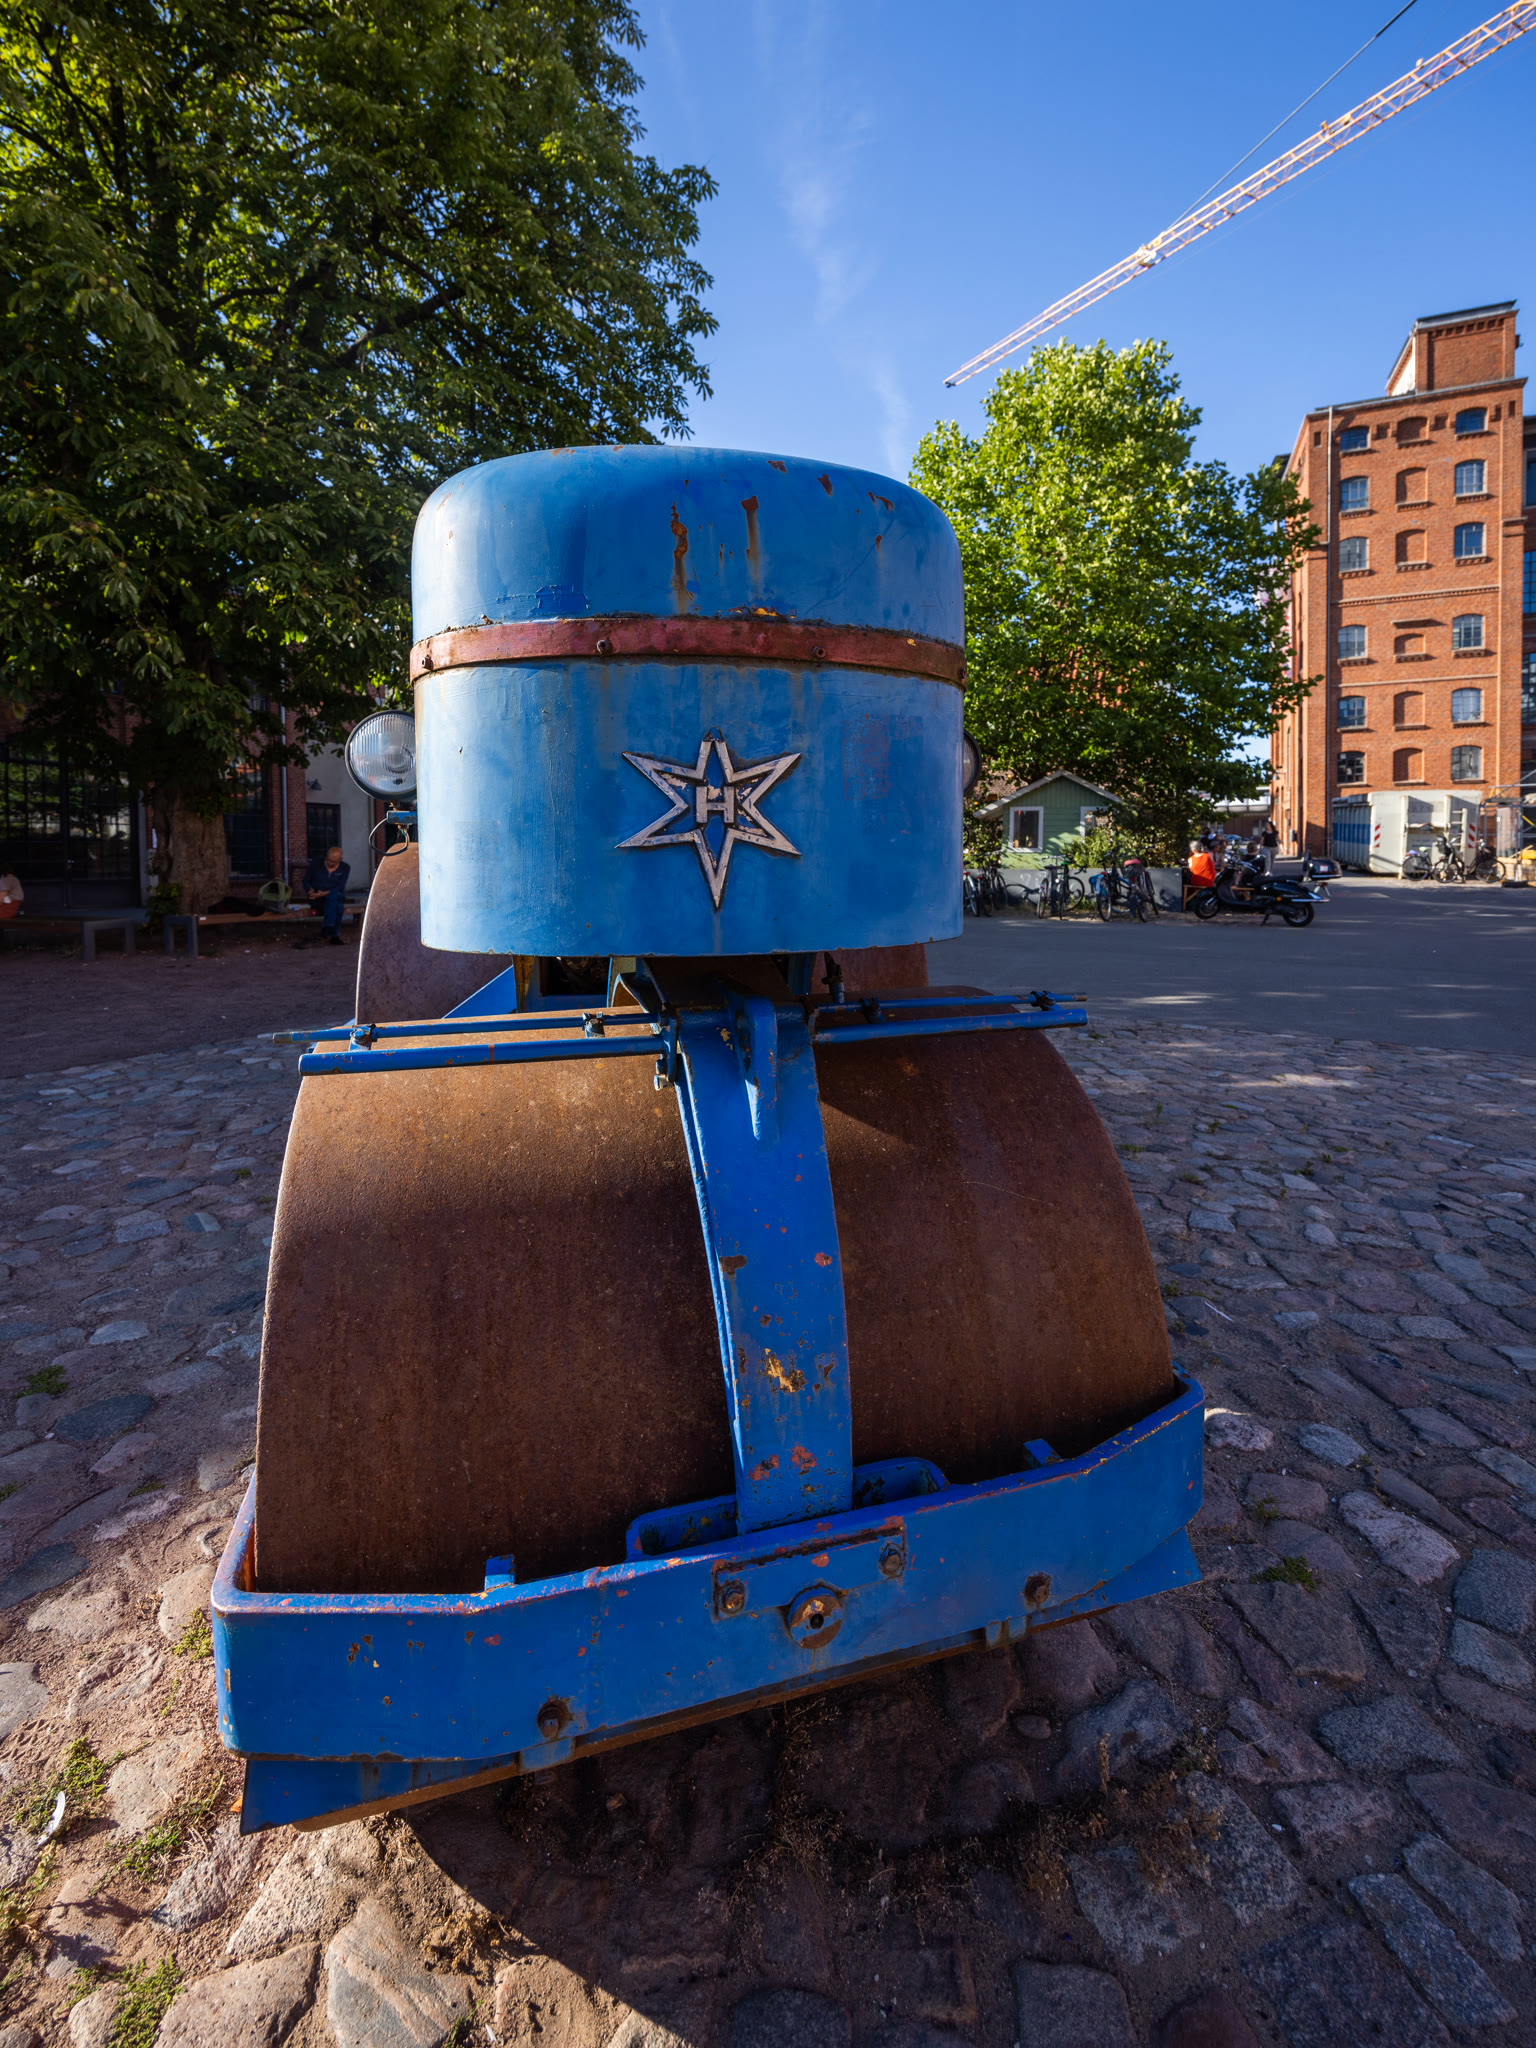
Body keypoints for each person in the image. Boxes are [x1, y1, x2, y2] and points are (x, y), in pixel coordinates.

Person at [303, 844, 350, 945]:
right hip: (317, 898)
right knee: (338, 906)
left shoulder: (345, 868)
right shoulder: (316, 864)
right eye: (329, 860)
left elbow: (340, 886)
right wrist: (310, 890)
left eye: (334, 862)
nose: (330, 863)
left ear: (340, 860)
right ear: (326, 857)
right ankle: (334, 935)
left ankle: (328, 927)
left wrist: (323, 894)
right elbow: (306, 881)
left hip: (333, 895)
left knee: (333, 896)